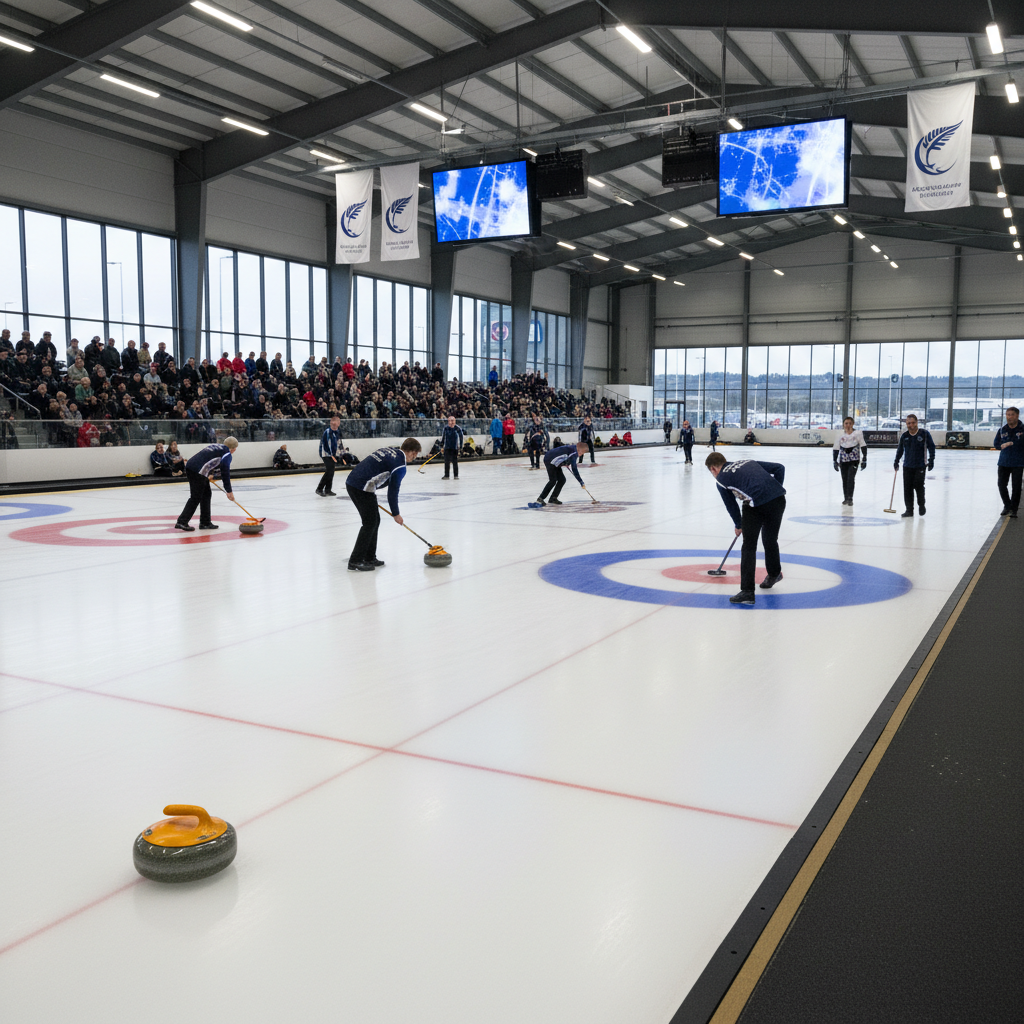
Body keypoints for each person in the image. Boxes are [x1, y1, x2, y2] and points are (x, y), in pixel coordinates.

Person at [706, 452, 787, 605]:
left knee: (749, 546)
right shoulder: (747, 462)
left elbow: (731, 505)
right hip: (778, 500)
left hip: (755, 505)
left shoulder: (721, 479)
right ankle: (774, 574)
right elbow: (779, 468)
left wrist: (739, 525)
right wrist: (775, 489)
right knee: (770, 539)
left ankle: (747, 591)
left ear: (713, 469)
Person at [344, 437, 421, 571]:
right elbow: (393, 491)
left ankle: (369, 557)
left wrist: (371, 491)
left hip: (355, 482)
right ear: (413, 453)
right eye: (415, 454)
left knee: (375, 520)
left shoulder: (389, 450)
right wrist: (396, 513)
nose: (415, 457)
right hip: (360, 487)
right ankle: (355, 560)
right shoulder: (400, 466)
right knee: (370, 523)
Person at [175, 437, 238, 532]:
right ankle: (182, 521)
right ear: (234, 449)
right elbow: (225, 472)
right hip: (198, 471)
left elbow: (208, 459)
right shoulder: (227, 454)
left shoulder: (216, 446)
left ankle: (205, 522)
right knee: (196, 497)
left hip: (191, 466)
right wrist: (229, 491)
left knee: (206, 494)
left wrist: (211, 474)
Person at [893, 413, 935, 518]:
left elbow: (931, 447)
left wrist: (931, 460)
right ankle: (909, 510)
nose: (911, 425)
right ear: (906, 424)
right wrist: (896, 461)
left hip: (920, 465)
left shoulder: (924, 434)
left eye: (913, 423)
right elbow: (900, 450)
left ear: (917, 423)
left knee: (918, 485)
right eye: (909, 423)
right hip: (907, 466)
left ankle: (921, 505)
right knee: (907, 488)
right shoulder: (904, 436)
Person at [536, 440, 588, 506]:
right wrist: (581, 482)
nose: (581, 454)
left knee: (562, 480)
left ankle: (553, 498)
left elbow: (564, 456)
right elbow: (574, 469)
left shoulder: (573, 449)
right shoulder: (574, 453)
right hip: (549, 460)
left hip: (554, 460)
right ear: (579, 450)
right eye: (582, 452)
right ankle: (540, 498)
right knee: (553, 480)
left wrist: (565, 462)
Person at [994, 406, 1022, 519]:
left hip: (1018, 462)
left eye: (1012, 415)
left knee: (1016, 487)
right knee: (1001, 485)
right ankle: (1007, 505)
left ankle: (1014, 509)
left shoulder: (1022, 429)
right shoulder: (1002, 430)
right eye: (1007, 415)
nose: (1009, 417)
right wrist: (1001, 446)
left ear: (1017, 416)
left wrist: (1011, 443)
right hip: (1004, 462)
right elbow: (996, 444)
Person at [832, 416, 867, 506]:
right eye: (846, 423)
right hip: (843, 460)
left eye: (850, 423)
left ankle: (850, 498)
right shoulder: (840, 435)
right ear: (843, 424)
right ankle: (846, 498)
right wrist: (834, 460)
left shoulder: (858, 433)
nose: (848, 425)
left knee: (850, 478)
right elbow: (836, 447)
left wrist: (864, 458)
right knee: (844, 479)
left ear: (853, 424)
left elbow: (863, 445)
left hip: (854, 460)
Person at [317, 415, 342, 496]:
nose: (335, 424)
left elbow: (339, 443)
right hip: (325, 454)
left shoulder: (337, 432)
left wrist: (341, 452)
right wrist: (332, 455)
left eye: (337, 422)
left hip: (332, 454)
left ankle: (328, 489)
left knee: (331, 471)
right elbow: (326, 445)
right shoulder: (328, 432)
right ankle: (319, 489)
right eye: (333, 423)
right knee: (329, 471)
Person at [440, 414, 463, 480]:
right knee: (446, 462)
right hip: (447, 447)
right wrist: (442, 445)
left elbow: (461, 438)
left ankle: (456, 475)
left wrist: (461, 447)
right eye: (450, 421)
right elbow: (443, 437)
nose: (451, 422)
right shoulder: (446, 428)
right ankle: (446, 475)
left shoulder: (457, 428)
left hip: (454, 448)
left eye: (453, 421)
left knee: (455, 462)